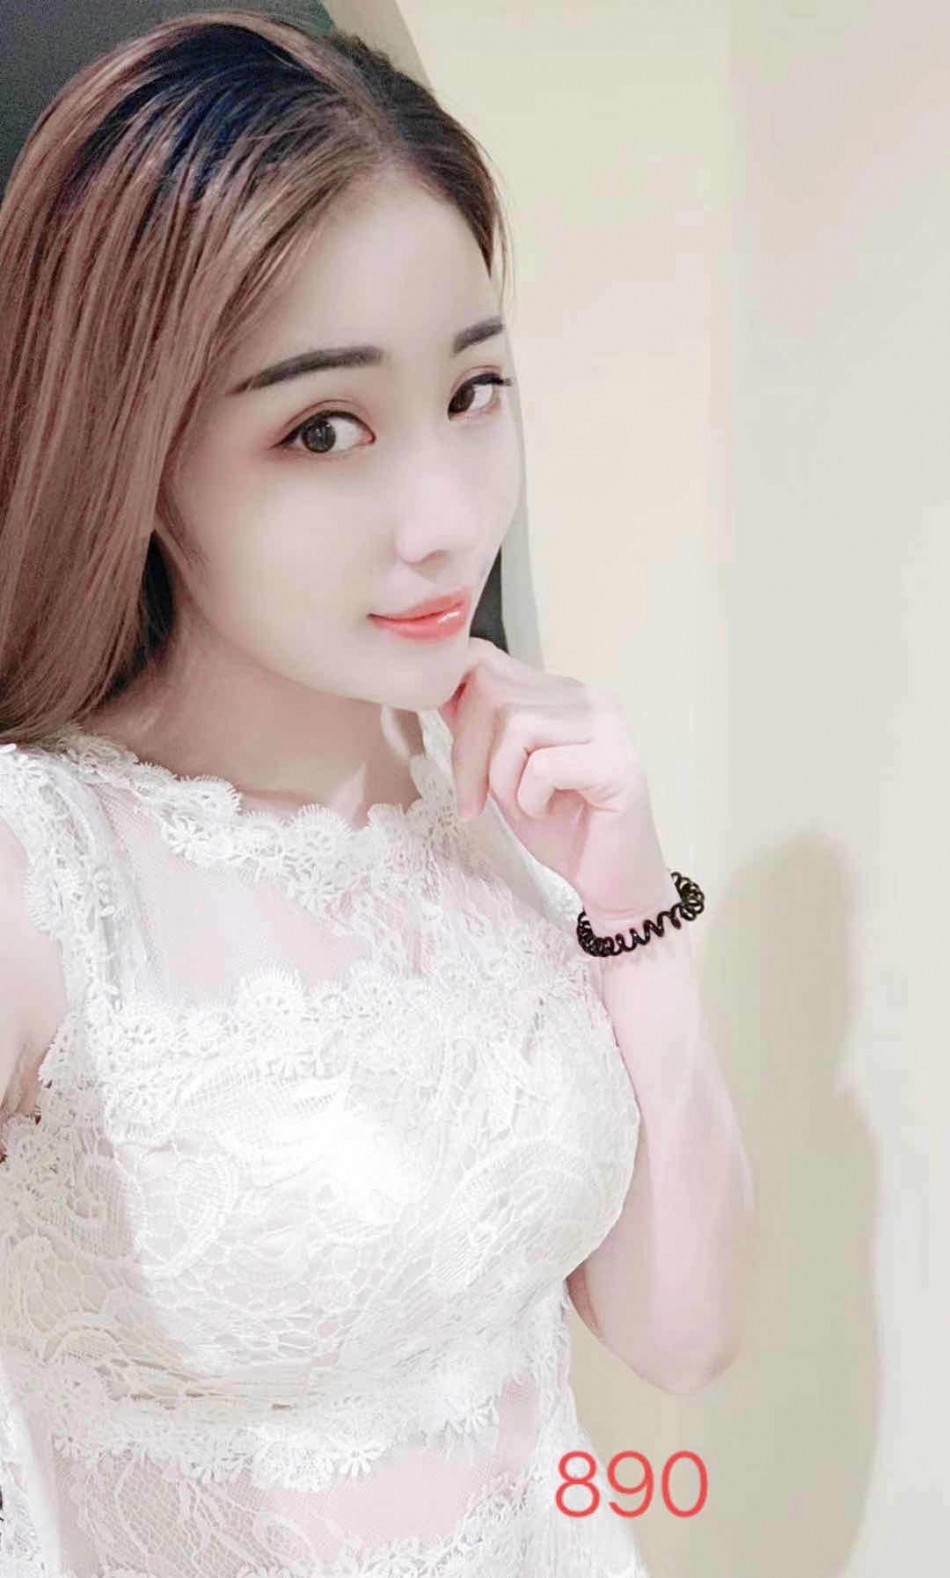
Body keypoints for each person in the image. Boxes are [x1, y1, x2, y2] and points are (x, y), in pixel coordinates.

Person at [0, 12, 655, 1574]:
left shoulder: (497, 799)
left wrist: (639, 905)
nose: (445, 519)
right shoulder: (44, 868)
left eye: (474, 389)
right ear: (139, 453)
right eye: (323, 427)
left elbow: (675, 1328)